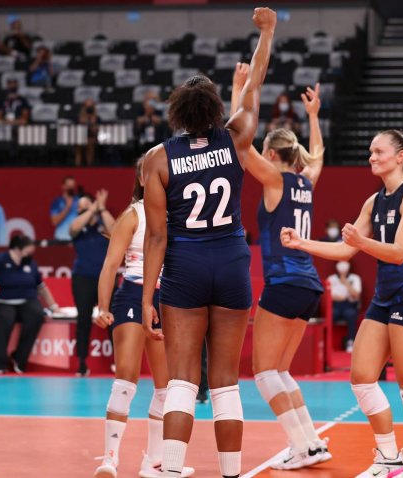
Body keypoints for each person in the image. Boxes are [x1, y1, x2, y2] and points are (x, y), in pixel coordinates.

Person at [141, 8, 277, 477]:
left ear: (176, 111)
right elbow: (255, 83)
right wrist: (267, 32)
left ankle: (172, 470)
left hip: (185, 263)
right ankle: (232, 473)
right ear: (217, 111)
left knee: (181, 381)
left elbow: (156, 235)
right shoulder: (237, 136)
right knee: (225, 384)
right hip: (232, 260)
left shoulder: (157, 160)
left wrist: (146, 297)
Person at [281, 129, 403, 478]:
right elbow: (345, 249)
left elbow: (398, 253)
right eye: (370, 151)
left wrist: (361, 241)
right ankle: (388, 456)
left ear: (400, 156)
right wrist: (301, 243)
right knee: (362, 377)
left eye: (379, 151)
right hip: (385, 298)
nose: (372, 157)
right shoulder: (374, 200)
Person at [233, 68, 332, 469]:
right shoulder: (306, 183)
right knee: (282, 371)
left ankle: (302, 446)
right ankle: (310, 443)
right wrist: (313, 117)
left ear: (273, 154)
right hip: (309, 285)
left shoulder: (274, 181)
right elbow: (319, 156)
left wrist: (240, 90)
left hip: (285, 281)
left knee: (263, 373)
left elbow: (241, 145)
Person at [93, 158, 195, 478]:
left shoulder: (176, 217)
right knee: (126, 377)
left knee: (166, 387)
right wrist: (102, 307)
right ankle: (110, 458)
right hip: (134, 295)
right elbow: (110, 265)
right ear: (142, 176)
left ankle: (152, 461)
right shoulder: (131, 215)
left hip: (168, 300)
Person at [0, 234, 58, 374]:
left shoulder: (30, 263)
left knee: (37, 315)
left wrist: (54, 306)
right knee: (5, 318)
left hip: (26, 300)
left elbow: (42, 288)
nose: (30, 253)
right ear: (18, 248)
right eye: (28, 250)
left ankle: (19, 358)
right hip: (2, 301)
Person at [71, 190, 115, 376]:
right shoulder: (79, 229)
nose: (81, 210)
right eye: (79, 208)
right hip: (82, 278)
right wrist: (90, 210)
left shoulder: (102, 227)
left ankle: (119, 361)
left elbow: (115, 231)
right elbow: (72, 228)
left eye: (84, 206)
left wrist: (101, 208)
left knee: (112, 319)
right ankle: (82, 362)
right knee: (83, 320)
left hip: (105, 279)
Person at [328, 261, 362, 352]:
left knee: (351, 314)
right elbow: (327, 295)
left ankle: (351, 341)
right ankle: (327, 342)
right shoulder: (331, 279)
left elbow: (356, 295)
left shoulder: (355, 278)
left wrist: (346, 283)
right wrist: (335, 298)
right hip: (335, 305)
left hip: (350, 305)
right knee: (330, 314)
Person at [50, 176, 79, 242]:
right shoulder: (57, 202)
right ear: (63, 186)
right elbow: (54, 222)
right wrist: (67, 207)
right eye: (69, 185)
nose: (71, 187)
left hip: (76, 239)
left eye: (72, 185)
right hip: (61, 238)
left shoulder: (79, 201)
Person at [76, 98, 100, 167]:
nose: (89, 108)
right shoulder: (79, 117)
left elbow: (98, 130)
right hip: (80, 137)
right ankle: (77, 166)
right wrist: (82, 122)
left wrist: (94, 126)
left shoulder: (97, 118)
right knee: (79, 144)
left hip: (92, 137)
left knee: (90, 143)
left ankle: (89, 165)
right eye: (87, 106)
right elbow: (76, 129)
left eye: (91, 106)